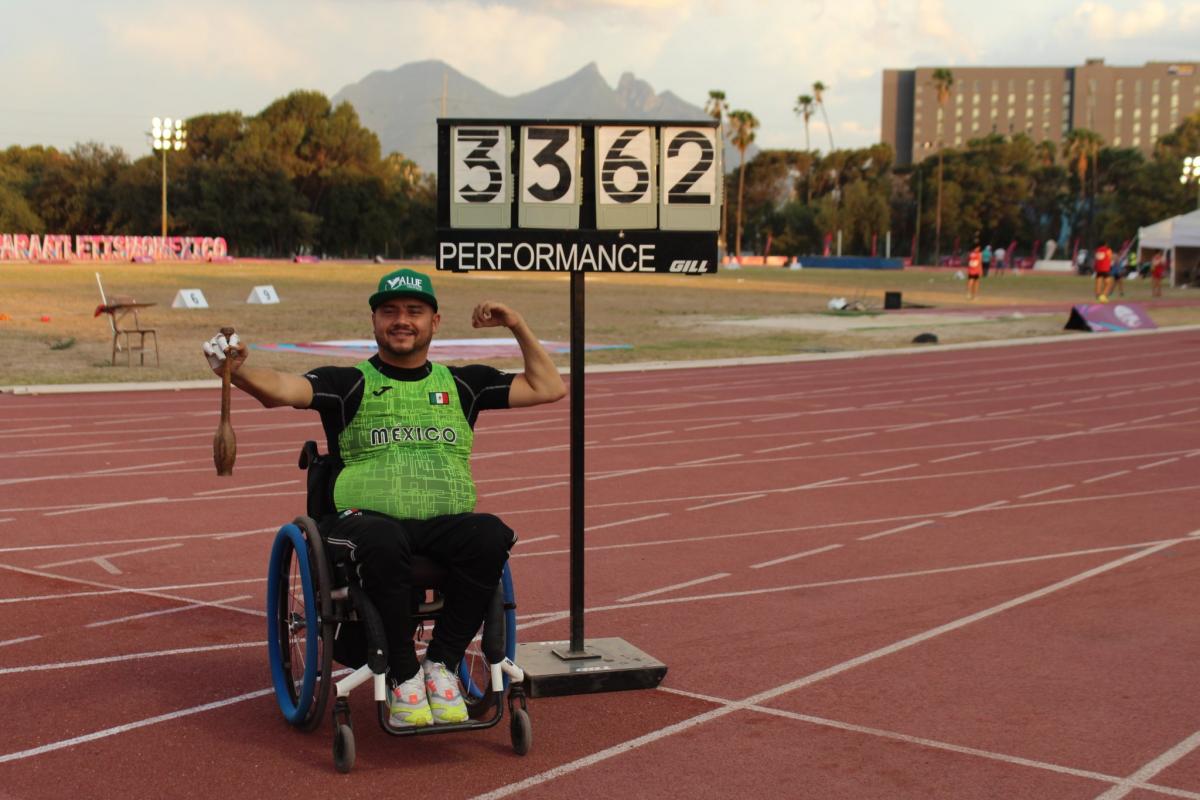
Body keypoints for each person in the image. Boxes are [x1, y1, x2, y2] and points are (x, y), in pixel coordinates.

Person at [201, 268, 566, 728]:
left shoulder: (462, 384)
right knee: (383, 537)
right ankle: (404, 674)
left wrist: (516, 324)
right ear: (374, 322)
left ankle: (440, 665)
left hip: (442, 525)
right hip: (361, 525)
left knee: (491, 535)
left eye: (415, 311)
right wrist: (234, 370)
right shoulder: (350, 382)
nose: (402, 320)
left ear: (435, 322)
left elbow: (548, 387)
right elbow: (281, 389)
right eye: (389, 311)